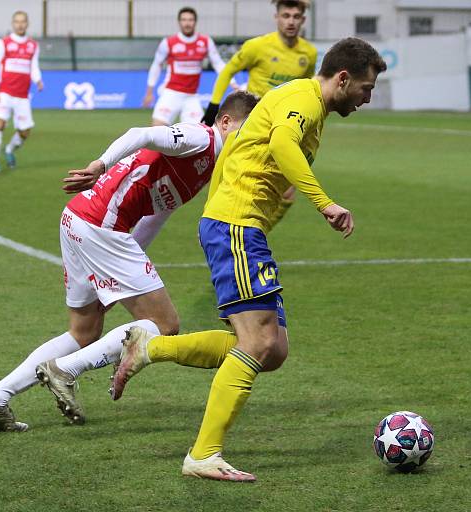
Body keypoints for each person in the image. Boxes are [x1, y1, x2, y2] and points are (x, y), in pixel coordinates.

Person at [111, 37, 387, 482]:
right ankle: (203, 454)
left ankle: (150, 348)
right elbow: (282, 145)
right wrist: (324, 203)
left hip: (239, 225)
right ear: (343, 78)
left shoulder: (299, 99)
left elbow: (240, 150)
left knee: (272, 348)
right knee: (256, 342)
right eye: (366, 88)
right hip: (235, 226)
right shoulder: (304, 101)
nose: (367, 98)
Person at [0, 92, 258, 432]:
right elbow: (143, 134)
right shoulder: (201, 139)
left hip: (80, 221)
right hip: (99, 226)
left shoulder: (210, 168)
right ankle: (65, 371)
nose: (251, 139)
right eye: (247, 129)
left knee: (84, 330)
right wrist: (100, 165)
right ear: (224, 122)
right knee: (165, 325)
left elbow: (156, 216)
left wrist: (116, 276)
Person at [201, 0, 318, 227]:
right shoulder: (257, 46)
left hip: (284, 127)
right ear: (277, 17)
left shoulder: (309, 54)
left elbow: (306, 87)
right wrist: (213, 107)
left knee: (287, 193)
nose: (291, 21)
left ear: (303, 19)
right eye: (286, 15)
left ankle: (256, 235)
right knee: (236, 182)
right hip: (253, 124)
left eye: (296, 16)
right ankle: (215, 225)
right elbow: (228, 70)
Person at [142, 6, 236, 126]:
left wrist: (232, 82)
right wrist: (149, 92)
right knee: (157, 129)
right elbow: (156, 65)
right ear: (179, 22)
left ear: (195, 22)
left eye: (190, 20)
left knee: (199, 135)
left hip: (191, 97)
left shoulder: (205, 42)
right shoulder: (169, 43)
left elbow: (218, 63)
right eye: (184, 20)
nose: (187, 23)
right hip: (171, 93)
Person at [0, 11, 43, 174]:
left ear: (27, 23)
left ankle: (9, 149)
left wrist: (38, 80)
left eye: (23, 21)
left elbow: (33, 66)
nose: (20, 24)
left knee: (25, 132)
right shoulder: (3, 43)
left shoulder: (33, 45)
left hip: (23, 96)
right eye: (17, 22)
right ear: (13, 23)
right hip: (4, 92)